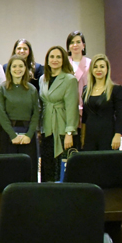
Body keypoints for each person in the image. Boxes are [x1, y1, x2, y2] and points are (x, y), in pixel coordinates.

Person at [0, 55, 40, 178]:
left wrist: (29, 135)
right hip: (8, 133)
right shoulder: (2, 88)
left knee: (28, 170)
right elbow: (1, 113)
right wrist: (12, 135)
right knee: (9, 169)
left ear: (25, 68)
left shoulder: (32, 89)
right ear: (9, 69)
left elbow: (36, 113)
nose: (17, 69)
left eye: (21, 66)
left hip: (28, 134)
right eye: (14, 66)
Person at [38, 46, 79, 182]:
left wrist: (69, 133)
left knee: (60, 167)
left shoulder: (69, 80)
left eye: (58, 57)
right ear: (47, 60)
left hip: (62, 129)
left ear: (64, 60)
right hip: (46, 128)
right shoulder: (42, 79)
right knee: (47, 165)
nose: (55, 60)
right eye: (52, 57)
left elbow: (72, 107)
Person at [81, 54, 122, 151]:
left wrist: (118, 135)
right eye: (95, 67)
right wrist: (82, 138)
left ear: (107, 69)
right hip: (90, 136)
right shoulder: (86, 90)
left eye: (102, 66)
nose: (98, 70)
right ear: (91, 70)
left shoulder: (116, 89)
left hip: (108, 134)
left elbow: (120, 115)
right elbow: (85, 117)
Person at [67, 30, 91, 122]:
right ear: (68, 47)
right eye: (72, 42)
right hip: (68, 111)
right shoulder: (64, 64)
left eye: (78, 42)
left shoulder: (91, 64)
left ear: (83, 45)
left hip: (87, 109)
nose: (75, 45)